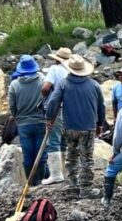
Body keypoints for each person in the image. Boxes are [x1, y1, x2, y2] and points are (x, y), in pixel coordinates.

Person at [45, 54, 105, 199]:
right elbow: (100, 107)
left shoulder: (64, 84)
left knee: (71, 155)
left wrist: (49, 118)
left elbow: (53, 102)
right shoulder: (94, 85)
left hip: (69, 126)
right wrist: (100, 124)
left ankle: (73, 183)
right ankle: (85, 189)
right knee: (86, 158)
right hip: (88, 127)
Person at [7, 55, 46, 185]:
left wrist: (17, 118)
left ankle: (30, 182)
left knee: (28, 155)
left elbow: (12, 106)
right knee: (41, 154)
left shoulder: (14, 85)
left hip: (23, 124)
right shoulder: (42, 80)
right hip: (41, 121)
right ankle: (41, 181)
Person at [39, 47, 72, 185]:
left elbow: (46, 87)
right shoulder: (72, 71)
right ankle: (64, 172)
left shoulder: (55, 69)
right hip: (70, 110)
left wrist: (45, 96)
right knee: (64, 141)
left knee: (53, 140)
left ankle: (56, 174)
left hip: (56, 108)